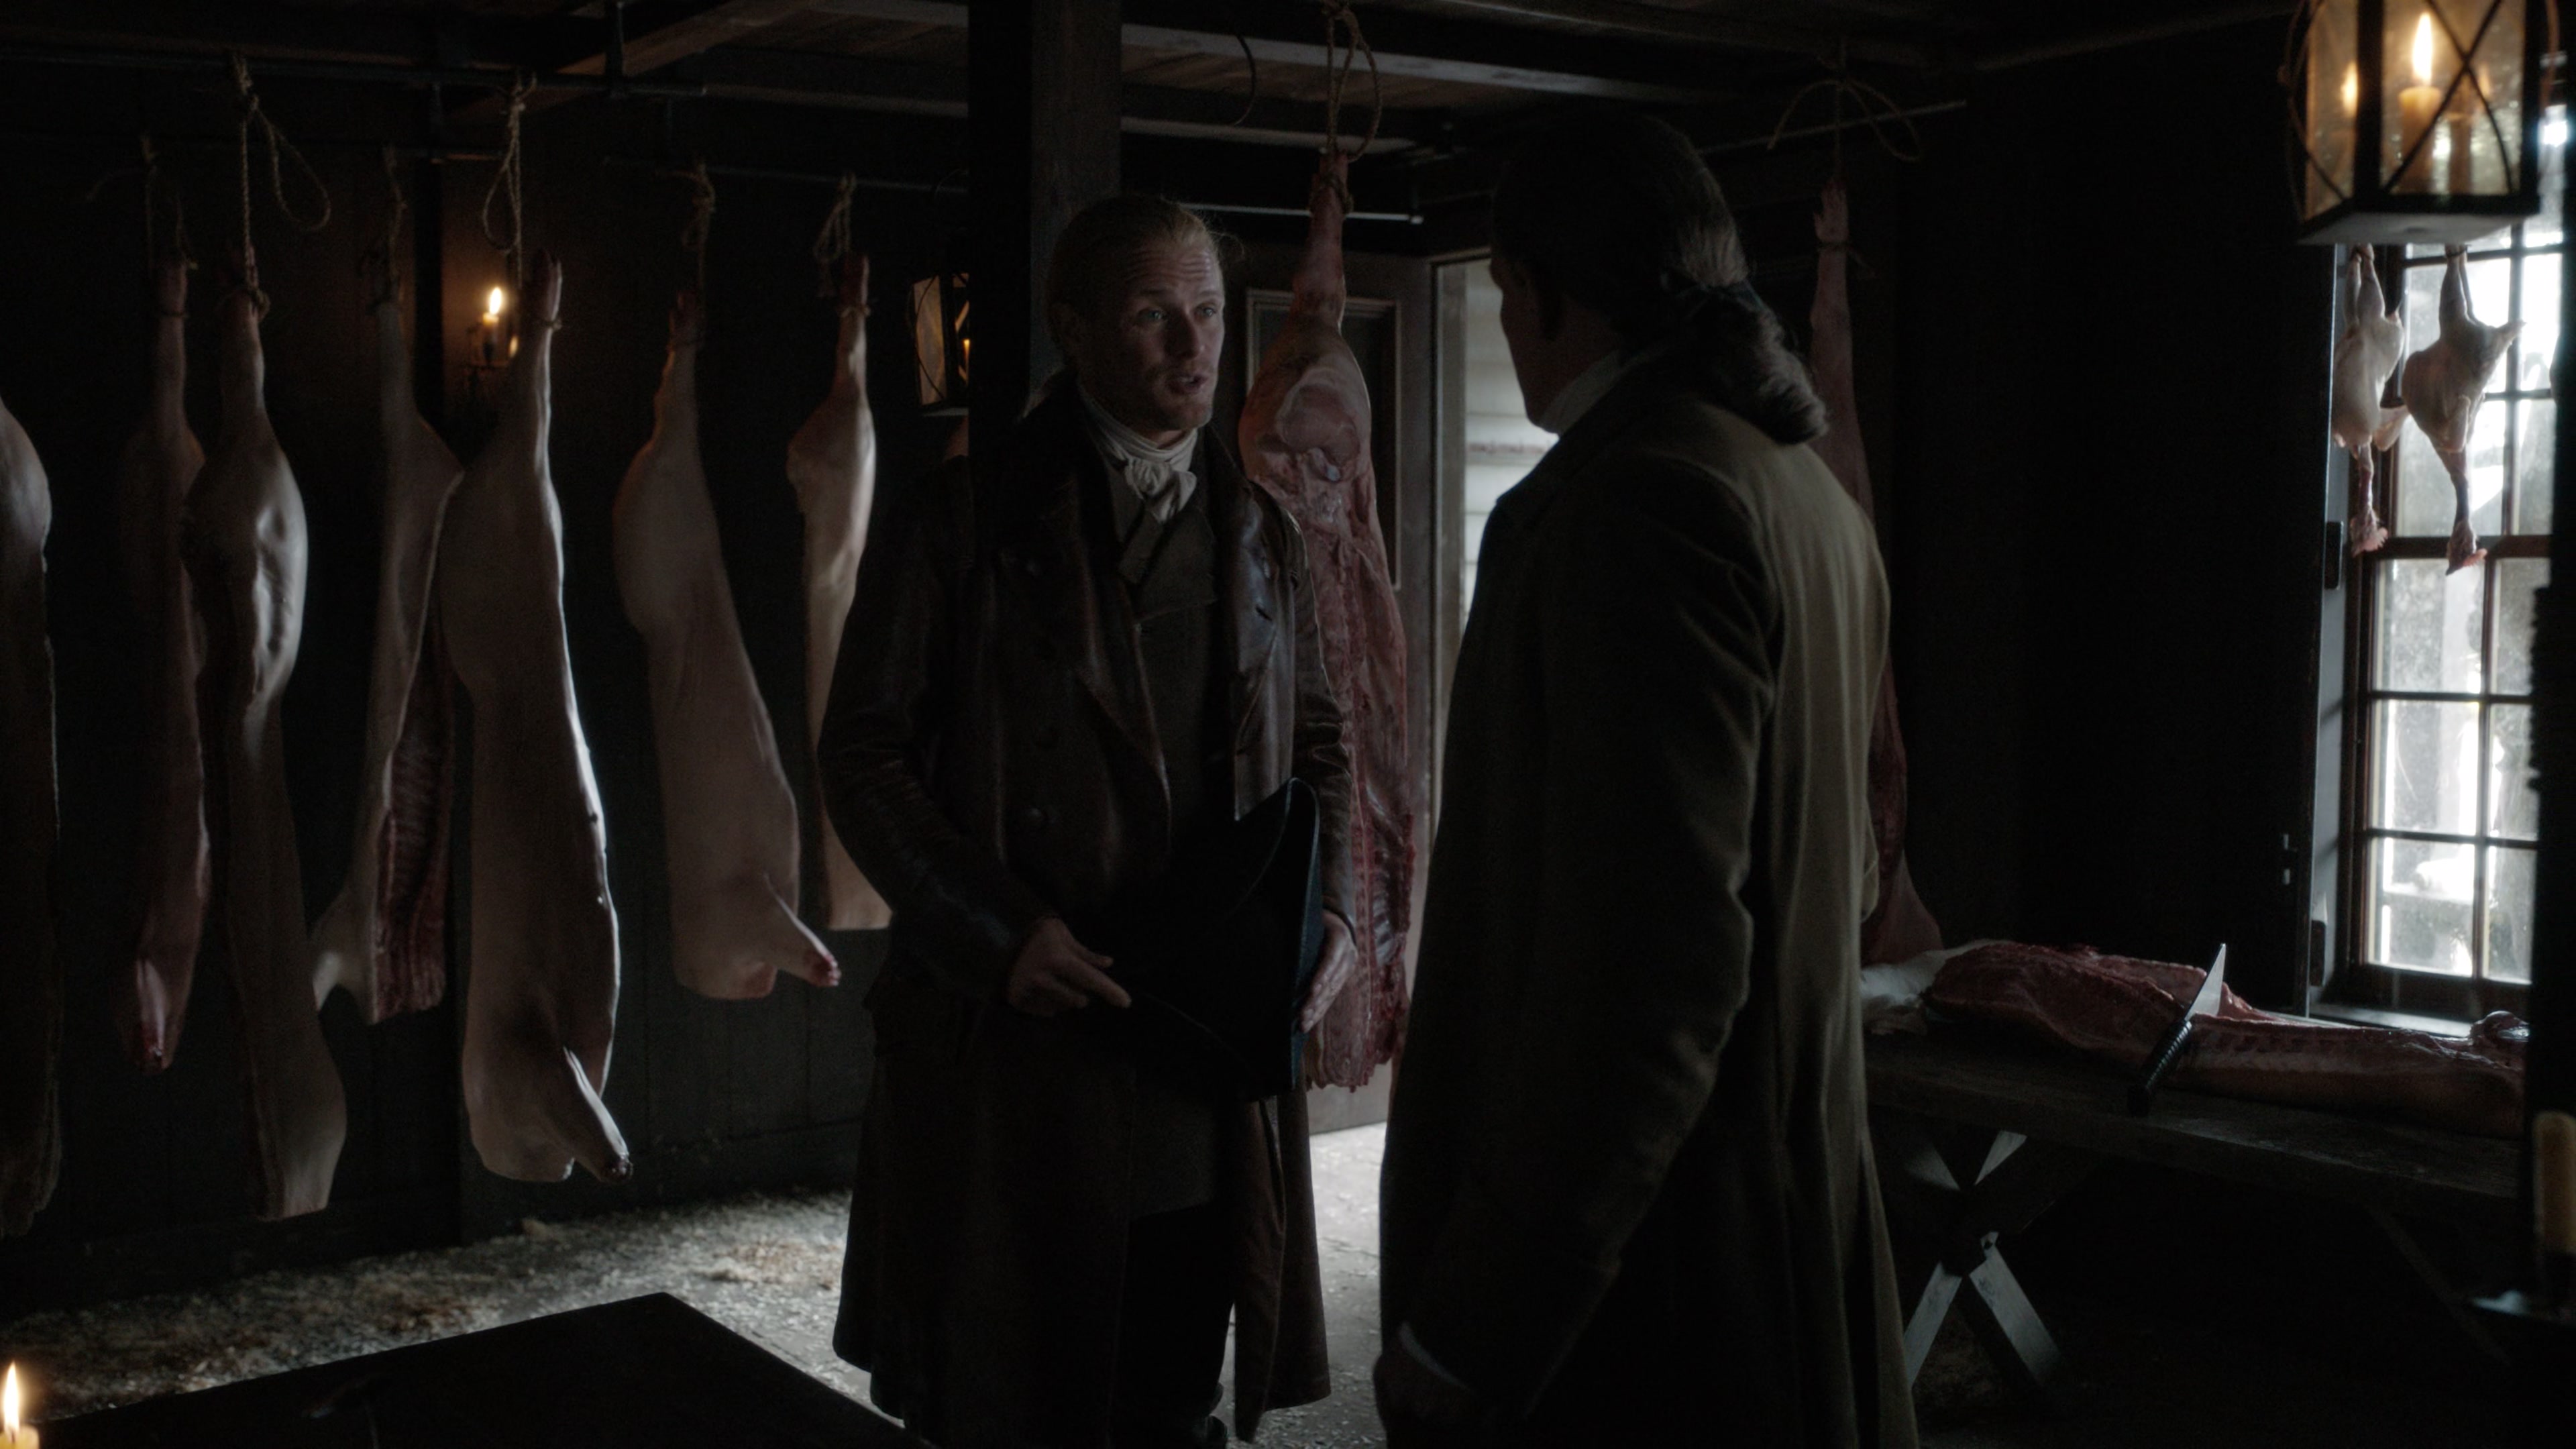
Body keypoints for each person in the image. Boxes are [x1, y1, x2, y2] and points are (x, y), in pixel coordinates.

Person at [1374, 109, 1919, 1448]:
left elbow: (1650, 967)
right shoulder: (1807, 496)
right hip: (1779, 1215)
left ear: (1543, 288)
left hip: (1665, 1284)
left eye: (1506, 293)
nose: (1509, 326)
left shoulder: (1634, 500)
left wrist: (1481, 1311)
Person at [818, 194, 1360, 1449]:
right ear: (1074, 329)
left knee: (1172, 1383)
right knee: (1008, 1390)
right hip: (1026, 1034)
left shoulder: (1261, 533)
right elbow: (862, 754)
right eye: (1154, 315)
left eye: (1209, 311)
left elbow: (1321, 745)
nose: (1196, 345)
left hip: (1205, 1039)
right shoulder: (962, 521)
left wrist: (1327, 907)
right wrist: (996, 931)